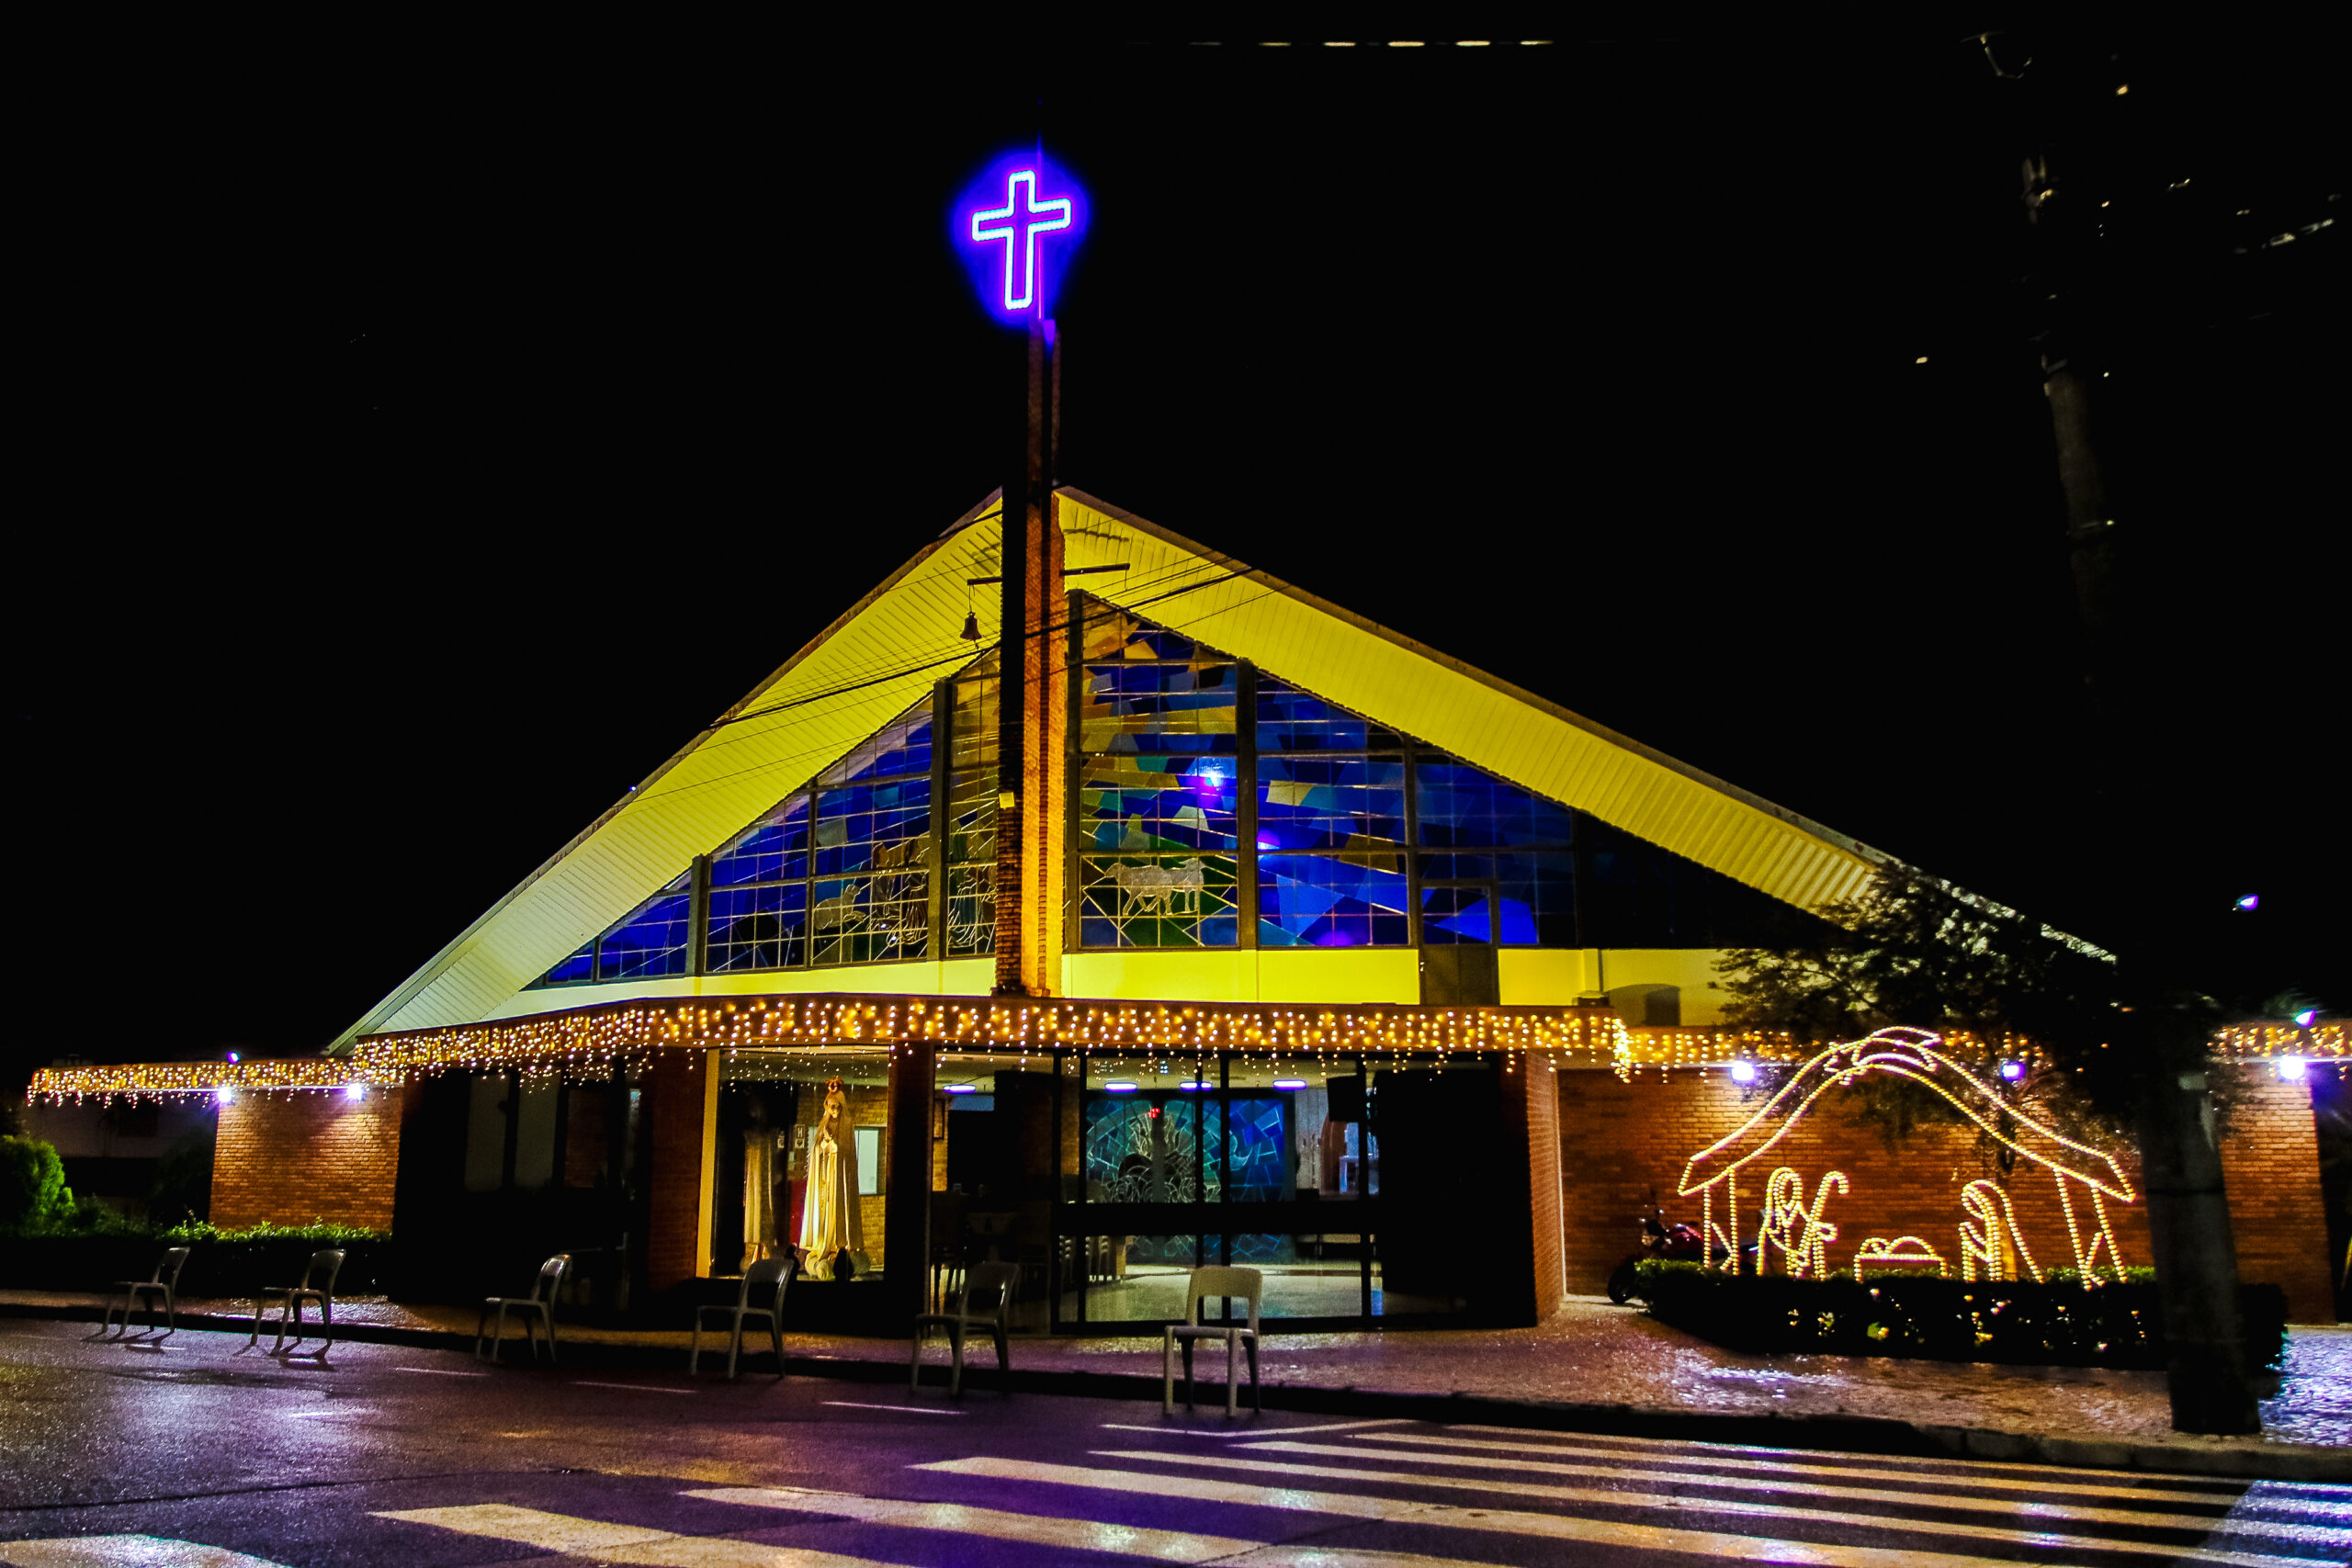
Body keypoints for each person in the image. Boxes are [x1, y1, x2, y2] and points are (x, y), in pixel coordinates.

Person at [797, 1077, 864, 1278]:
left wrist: (832, 1144)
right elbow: (816, 1149)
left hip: (839, 1177)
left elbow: (845, 1151)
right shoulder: (823, 1124)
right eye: (830, 1106)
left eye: (836, 1106)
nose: (833, 1110)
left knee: (838, 1209)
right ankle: (823, 1246)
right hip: (824, 1177)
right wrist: (823, 1143)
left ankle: (839, 1246)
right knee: (824, 1211)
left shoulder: (847, 1124)